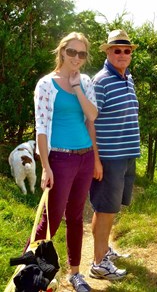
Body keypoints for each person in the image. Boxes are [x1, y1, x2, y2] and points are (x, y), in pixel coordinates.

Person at [33, 32, 98, 292]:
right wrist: (45, 166)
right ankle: (34, 271)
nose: (76, 58)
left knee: (75, 217)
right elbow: (41, 127)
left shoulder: (85, 81)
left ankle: (75, 273)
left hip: (85, 156)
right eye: (72, 52)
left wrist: (76, 88)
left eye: (82, 54)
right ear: (61, 52)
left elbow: (92, 115)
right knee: (51, 219)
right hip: (59, 158)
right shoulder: (46, 84)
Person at [88, 29, 141, 280]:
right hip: (108, 158)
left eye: (126, 50)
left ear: (131, 54)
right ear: (108, 52)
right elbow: (89, 122)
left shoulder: (126, 77)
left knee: (110, 208)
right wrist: (95, 160)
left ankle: (104, 251)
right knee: (104, 208)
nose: (122, 54)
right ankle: (99, 264)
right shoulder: (101, 81)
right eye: (117, 50)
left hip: (125, 155)